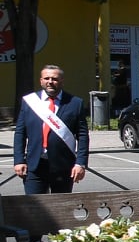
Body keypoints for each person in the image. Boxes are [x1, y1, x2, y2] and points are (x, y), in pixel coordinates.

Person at [12, 64, 89, 193]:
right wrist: (19, 160)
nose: (50, 82)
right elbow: (20, 133)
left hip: (63, 167)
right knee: (34, 208)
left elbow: (83, 136)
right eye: (46, 78)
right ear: (41, 80)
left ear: (61, 81)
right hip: (34, 166)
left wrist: (80, 163)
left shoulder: (75, 103)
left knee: (60, 209)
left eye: (54, 79)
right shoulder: (29, 102)